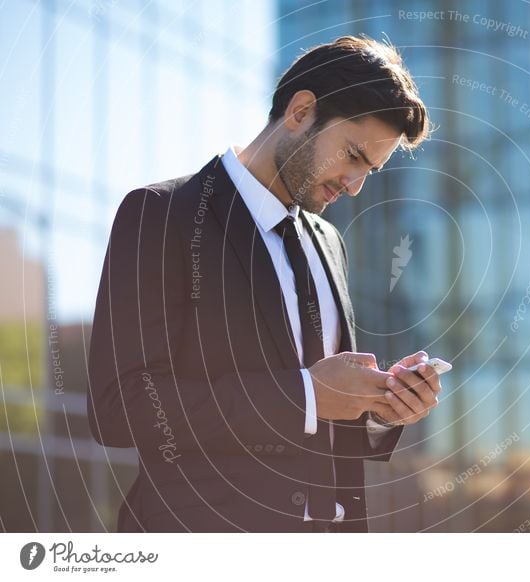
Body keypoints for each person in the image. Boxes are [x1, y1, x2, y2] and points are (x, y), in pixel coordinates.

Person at [87, 35, 439, 532]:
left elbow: (319, 421)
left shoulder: (329, 241)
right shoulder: (161, 215)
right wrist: (306, 396)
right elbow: (119, 408)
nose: (356, 184)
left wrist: (382, 406)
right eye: (353, 156)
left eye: (371, 171)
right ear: (300, 112)